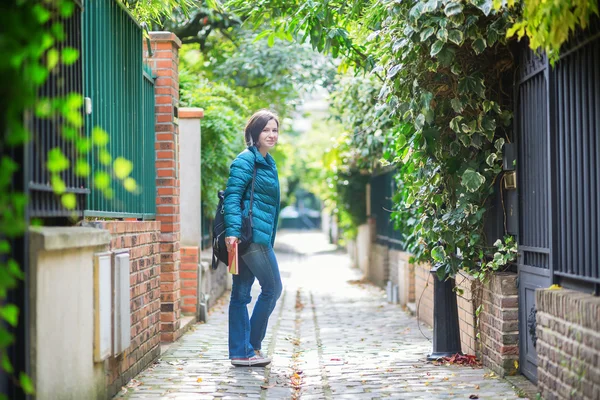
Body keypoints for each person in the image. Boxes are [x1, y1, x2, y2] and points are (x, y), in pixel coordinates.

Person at [223, 109, 282, 367]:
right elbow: (233, 196)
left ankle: (241, 352)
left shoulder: (267, 162)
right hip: (251, 237)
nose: (271, 134)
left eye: (274, 130)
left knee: (241, 295)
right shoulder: (246, 160)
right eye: (266, 130)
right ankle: (252, 346)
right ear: (254, 133)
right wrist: (233, 232)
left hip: (255, 236)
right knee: (272, 288)